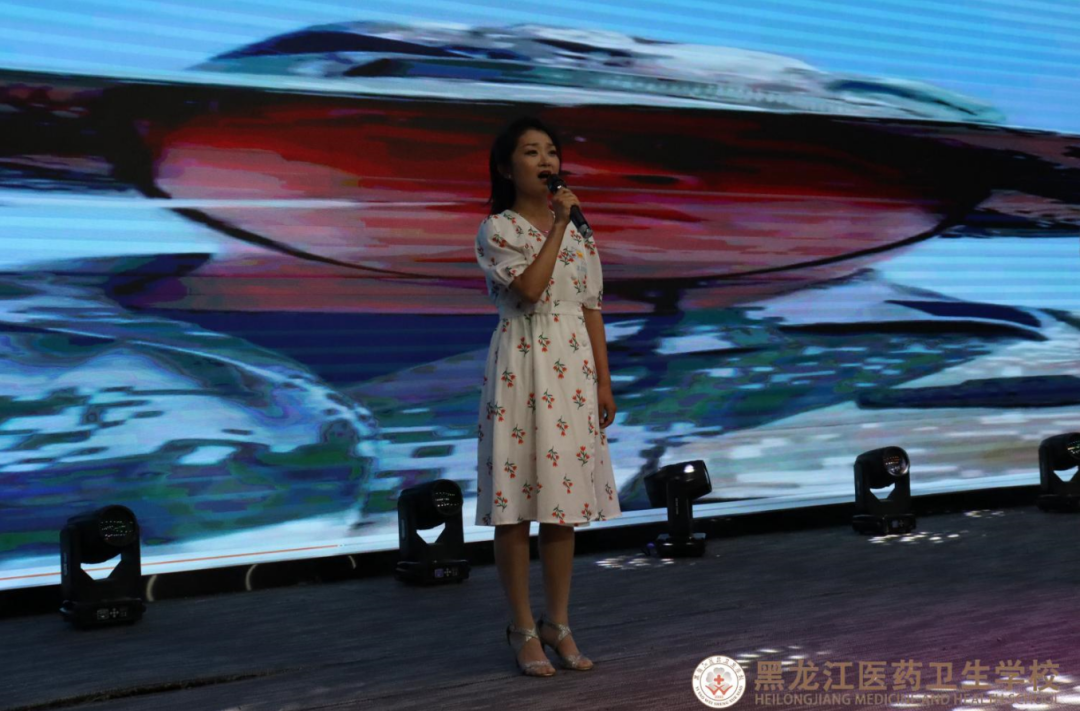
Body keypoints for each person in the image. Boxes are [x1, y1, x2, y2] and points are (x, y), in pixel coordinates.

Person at [474, 116, 623, 677]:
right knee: (516, 506)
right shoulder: (497, 229)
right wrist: (559, 224)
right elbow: (532, 290)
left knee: (563, 506)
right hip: (521, 364)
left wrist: (603, 381)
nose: (546, 161)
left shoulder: (582, 233)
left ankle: (558, 622)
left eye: (552, 152)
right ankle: (522, 628)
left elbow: (591, 308)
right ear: (505, 167)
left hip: (572, 367)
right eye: (532, 152)